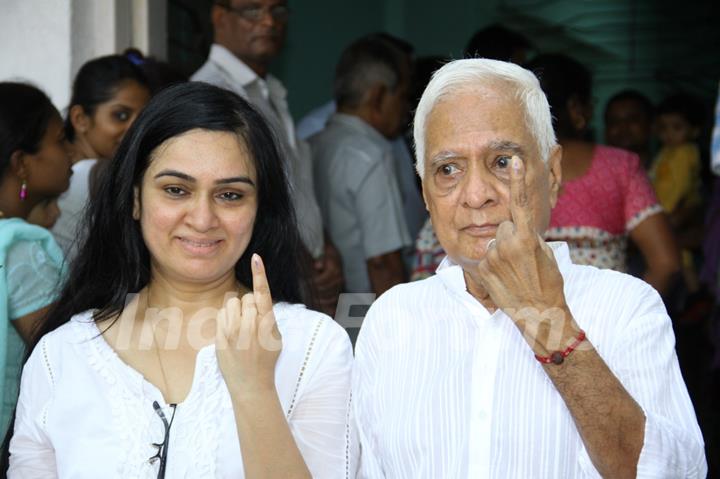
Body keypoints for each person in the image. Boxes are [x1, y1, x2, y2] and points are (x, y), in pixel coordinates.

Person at [352, 58, 706, 478]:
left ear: (552, 174)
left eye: (503, 161)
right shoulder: (392, 319)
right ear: (426, 192)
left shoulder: (627, 307)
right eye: (448, 169)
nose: (477, 194)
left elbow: (671, 472)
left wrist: (547, 320)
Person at [6, 82, 353, 477]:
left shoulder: (313, 347)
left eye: (230, 195)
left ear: (260, 209)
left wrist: (255, 390)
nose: (202, 219)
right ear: (135, 198)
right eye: (176, 190)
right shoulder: (60, 357)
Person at [191, 0, 343, 315]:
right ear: (220, 16)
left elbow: (294, 185)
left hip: (297, 273)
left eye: (278, 12)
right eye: (252, 10)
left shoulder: (269, 90)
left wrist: (324, 246)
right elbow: (239, 193)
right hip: (257, 279)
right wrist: (302, 261)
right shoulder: (211, 93)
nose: (269, 22)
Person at [526, 54, 681, 299]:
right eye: (591, 104)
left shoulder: (504, 169)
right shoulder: (619, 166)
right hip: (604, 324)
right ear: (577, 108)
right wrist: (627, 322)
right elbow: (667, 264)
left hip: (524, 327)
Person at [310, 35, 412, 295]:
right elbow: (382, 262)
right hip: (366, 313)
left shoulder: (311, 144)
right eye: (401, 97)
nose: (404, 109)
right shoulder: (371, 155)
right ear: (378, 96)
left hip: (329, 308)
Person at [0, 82, 72, 436]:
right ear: (21, 163)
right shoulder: (18, 247)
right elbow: (66, 361)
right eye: (59, 140)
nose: (70, 153)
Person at [51, 54, 151, 263]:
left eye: (143, 119)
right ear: (80, 119)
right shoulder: (94, 173)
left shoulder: (65, 174)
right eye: (121, 116)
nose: (136, 130)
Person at [604, 89, 655, 170]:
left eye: (633, 119)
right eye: (614, 121)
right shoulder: (598, 174)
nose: (623, 127)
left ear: (652, 126)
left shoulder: (673, 167)